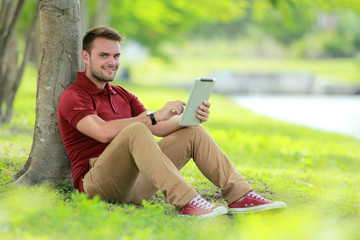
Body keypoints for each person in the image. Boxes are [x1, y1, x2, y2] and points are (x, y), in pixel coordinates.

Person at [58, 26, 287, 218]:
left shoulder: (122, 94)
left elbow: (158, 127)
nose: (112, 62)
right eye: (104, 55)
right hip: (97, 183)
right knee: (137, 129)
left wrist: (190, 118)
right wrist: (153, 115)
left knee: (192, 132)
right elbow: (103, 133)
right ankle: (187, 201)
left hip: (135, 185)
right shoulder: (74, 95)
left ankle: (240, 196)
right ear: (85, 57)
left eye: (116, 56)